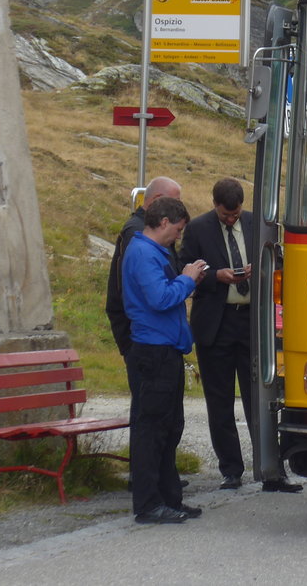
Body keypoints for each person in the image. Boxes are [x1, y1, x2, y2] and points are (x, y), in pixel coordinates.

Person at [181, 177, 301, 493]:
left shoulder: (255, 223)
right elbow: (184, 270)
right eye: (225, 215)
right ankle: (231, 470)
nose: (231, 219)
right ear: (214, 205)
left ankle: (271, 469)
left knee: (260, 400)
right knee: (219, 402)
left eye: (235, 215)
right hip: (216, 326)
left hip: (251, 324)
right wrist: (214, 277)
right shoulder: (197, 229)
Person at [122, 196, 207, 524]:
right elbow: (159, 299)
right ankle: (147, 504)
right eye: (177, 229)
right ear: (162, 222)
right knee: (152, 430)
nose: (179, 236)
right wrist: (186, 278)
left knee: (170, 428)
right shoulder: (143, 252)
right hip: (152, 351)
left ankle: (170, 498)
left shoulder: (154, 252)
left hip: (166, 349)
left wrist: (187, 280)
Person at [106, 176, 182, 357]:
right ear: (156, 200)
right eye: (175, 203)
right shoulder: (138, 232)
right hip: (143, 338)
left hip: (157, 334)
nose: (179, 209)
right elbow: (138, 291)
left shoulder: (155, 228)